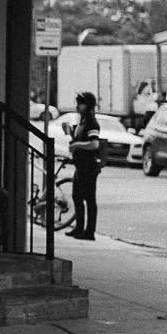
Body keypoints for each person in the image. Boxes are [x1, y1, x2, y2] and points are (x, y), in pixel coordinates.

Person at [66, 89, 102, 242]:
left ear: (87, 105)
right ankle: (79, 227)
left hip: (89, 166)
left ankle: (89, 231)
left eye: (80, 104)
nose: (77, 106)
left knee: (89, 198)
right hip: (80, 165)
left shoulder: (92, 122)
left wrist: (77, 145)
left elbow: (94, 144)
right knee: (77, 196)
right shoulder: (81, 122)